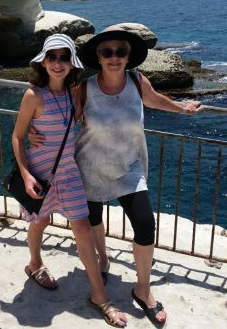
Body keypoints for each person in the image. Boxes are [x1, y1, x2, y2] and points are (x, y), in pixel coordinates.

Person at [29, 26, 203, 325]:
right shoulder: (85, 87)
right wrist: (34, 130)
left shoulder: (137, 81)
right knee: (93, 221)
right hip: (90, 168)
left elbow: (157, 99)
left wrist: (182, 108)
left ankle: (143, 288)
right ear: (97, 57)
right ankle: (103, 260)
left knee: (146, 225)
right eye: (107, 52)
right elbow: (59, 113)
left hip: (129, 169)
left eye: (120, 51)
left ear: (128, 56)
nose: (114, 57)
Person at [12, 33, 127, 328]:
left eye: (64, 57)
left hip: (68, 171)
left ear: (72, 62)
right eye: (53, 57)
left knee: (83, 229)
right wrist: (25, 175)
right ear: (44, 61)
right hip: (40, 173)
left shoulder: (73, 93)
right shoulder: (32, 96)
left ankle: (99, 297)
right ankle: (34, 263)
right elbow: (18, 136)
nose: (58, 63)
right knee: (40, 221)